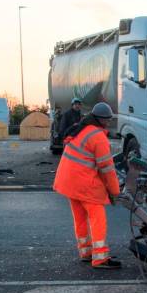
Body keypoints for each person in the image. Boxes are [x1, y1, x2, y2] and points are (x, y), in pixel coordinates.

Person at [53, 102, 122, 269]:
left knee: (80, 218)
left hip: (68, 182)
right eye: (107, 120)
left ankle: (85, 252)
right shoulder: (98, 137)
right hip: (83, 183)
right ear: (103, 121)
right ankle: (100, 258)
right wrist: (115, 191)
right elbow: (107, 169)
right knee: (98, 217)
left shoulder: (81, 129)